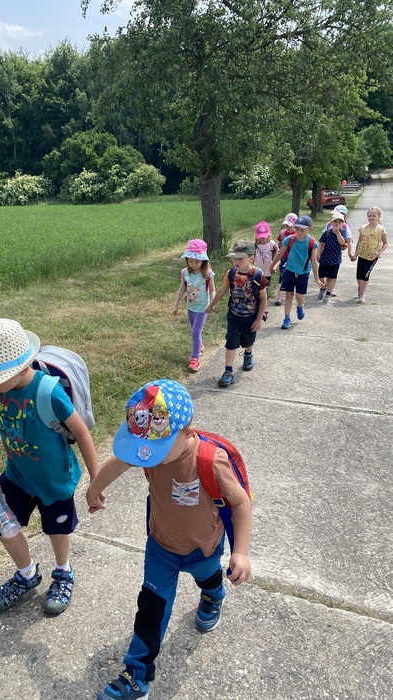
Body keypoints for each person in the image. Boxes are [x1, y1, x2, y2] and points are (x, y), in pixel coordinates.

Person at [86, 379, 252, 700]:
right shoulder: (149, 449)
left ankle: (213, 595)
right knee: (151, 609)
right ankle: (137, 677)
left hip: (203, 547)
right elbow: (120, 462)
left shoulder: (209, 460)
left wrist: (241, 552)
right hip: (161, 547)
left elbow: (241, 502)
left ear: (188, 432)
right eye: (143, 448)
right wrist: (94, 489)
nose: (146, 455)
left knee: (208, 578)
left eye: (156, 449)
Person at [0, 318, 102, 613]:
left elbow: (82, 433)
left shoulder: (48, 392)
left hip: (54, 480)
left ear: (21, 368)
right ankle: (26, 574)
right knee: (5, 527)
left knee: (57, 530)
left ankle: (63, 571)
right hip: (17, 476)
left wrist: (96, 484)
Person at [205, 240, 267, 388]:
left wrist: (258, 320)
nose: (236, 261)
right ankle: (228, 371)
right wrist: (211, 305)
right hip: (233, 314)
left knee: (248, 340)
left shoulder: (258, 275)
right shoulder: (231, 273)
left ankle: (248, 354)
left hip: (250, 316)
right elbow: (222, 290)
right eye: (234, 258)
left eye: (240, 258)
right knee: (231, 341)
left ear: (251, 258)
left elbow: (263, 299)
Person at [269, 215, 323, 329]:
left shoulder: (312, 243)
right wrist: (272, 265)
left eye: (302, 230)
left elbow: (314, 261)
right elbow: (280, 253)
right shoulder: (290, 239)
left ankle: (300, 306)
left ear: (310, 229)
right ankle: (287, 318)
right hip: (290, 270)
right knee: (289, 295)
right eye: (297, 229)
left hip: (303, 272)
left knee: (299, 296)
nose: (299, 232)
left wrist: (317, 279)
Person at [172, 238, 216, 373]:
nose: (193, 264)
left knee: (195, 332)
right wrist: (175, 305)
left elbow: (212, 290)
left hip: (203, 308)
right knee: (194, 330)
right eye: (190, 261)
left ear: (203, 260)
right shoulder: (185, 273)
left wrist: (212, 304)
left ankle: (195, 359)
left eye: (197, 261)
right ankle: (200, 344)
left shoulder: (207, 274)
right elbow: (181, 289)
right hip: (190, 307)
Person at [349, 207, 388, 303]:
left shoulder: (381, 229)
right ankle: (360, 288)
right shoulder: (363, 228)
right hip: (362, 255)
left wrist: (378, 253)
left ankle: (362, 295)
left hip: (372, 257)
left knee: (365, 275)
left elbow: (385, 244)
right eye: (369, 216)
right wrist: (355, 254)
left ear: (378, 217)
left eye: (374, 216)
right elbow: (359, 242)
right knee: (359, 276)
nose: (371, 217)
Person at [317, 210, 353, 303]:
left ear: (342, 223)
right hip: (325, 257)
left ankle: (328, 294)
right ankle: (323, 287)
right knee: (321, 275)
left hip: (335, 259)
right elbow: (321, 243)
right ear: (332, 223)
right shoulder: (327, 232)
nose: (337, 224)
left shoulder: (342, 232)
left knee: (332, 277)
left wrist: (337, 233)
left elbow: (342, 242)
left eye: (339, 222)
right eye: (335, 221)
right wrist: (318, 253)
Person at [253, 221, 278, 320]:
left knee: (264, 292)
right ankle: (256, 309)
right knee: (255, 291)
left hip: (267, 273)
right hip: (255, 273)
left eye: (264, 236)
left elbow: (277, 258)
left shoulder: (272, 245)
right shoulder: (254, 245)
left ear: (269, 234)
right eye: (260, 236)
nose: (262, 238)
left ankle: (263, 310)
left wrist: (274, 267)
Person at [325, 204, 351, 297]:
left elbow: (348, 239)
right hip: (327, 251)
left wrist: (350, 252)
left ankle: (332, 288)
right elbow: (324, 237)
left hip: (336, 252)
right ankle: (328, 286)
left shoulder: (345, 226)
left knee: (333, 272)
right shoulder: (329, 224)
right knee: (327, 272)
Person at [274, 213, 298, 305]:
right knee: (282, 276)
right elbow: (279, 245)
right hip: (284, 259)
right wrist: (276, 256)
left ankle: (292, 293)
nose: (287, 227)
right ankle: (279, 296)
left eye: (289, 225)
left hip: (294, 260)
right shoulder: (282, 233)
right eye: (286, 225)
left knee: (294, 277)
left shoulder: (297, 234)